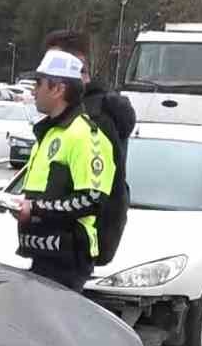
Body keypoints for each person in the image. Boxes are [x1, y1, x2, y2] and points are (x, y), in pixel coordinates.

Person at [14, 50, 116, 292]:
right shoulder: (50, 132)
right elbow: (44, 191)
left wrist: (35, 208)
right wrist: (21, 205)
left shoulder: (84, 136)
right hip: (42, 256)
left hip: (67, 262)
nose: (33, 90)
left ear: (58, 89)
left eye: (39, 83)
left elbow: (91, 200)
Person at [43, 29, 135, 266]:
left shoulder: (93, 119)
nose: (45, 73)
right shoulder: (71, 114)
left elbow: (92, 194)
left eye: (52, 65)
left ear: (78, 68)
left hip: (76, 247)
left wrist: (37, 210)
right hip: (56, 241)